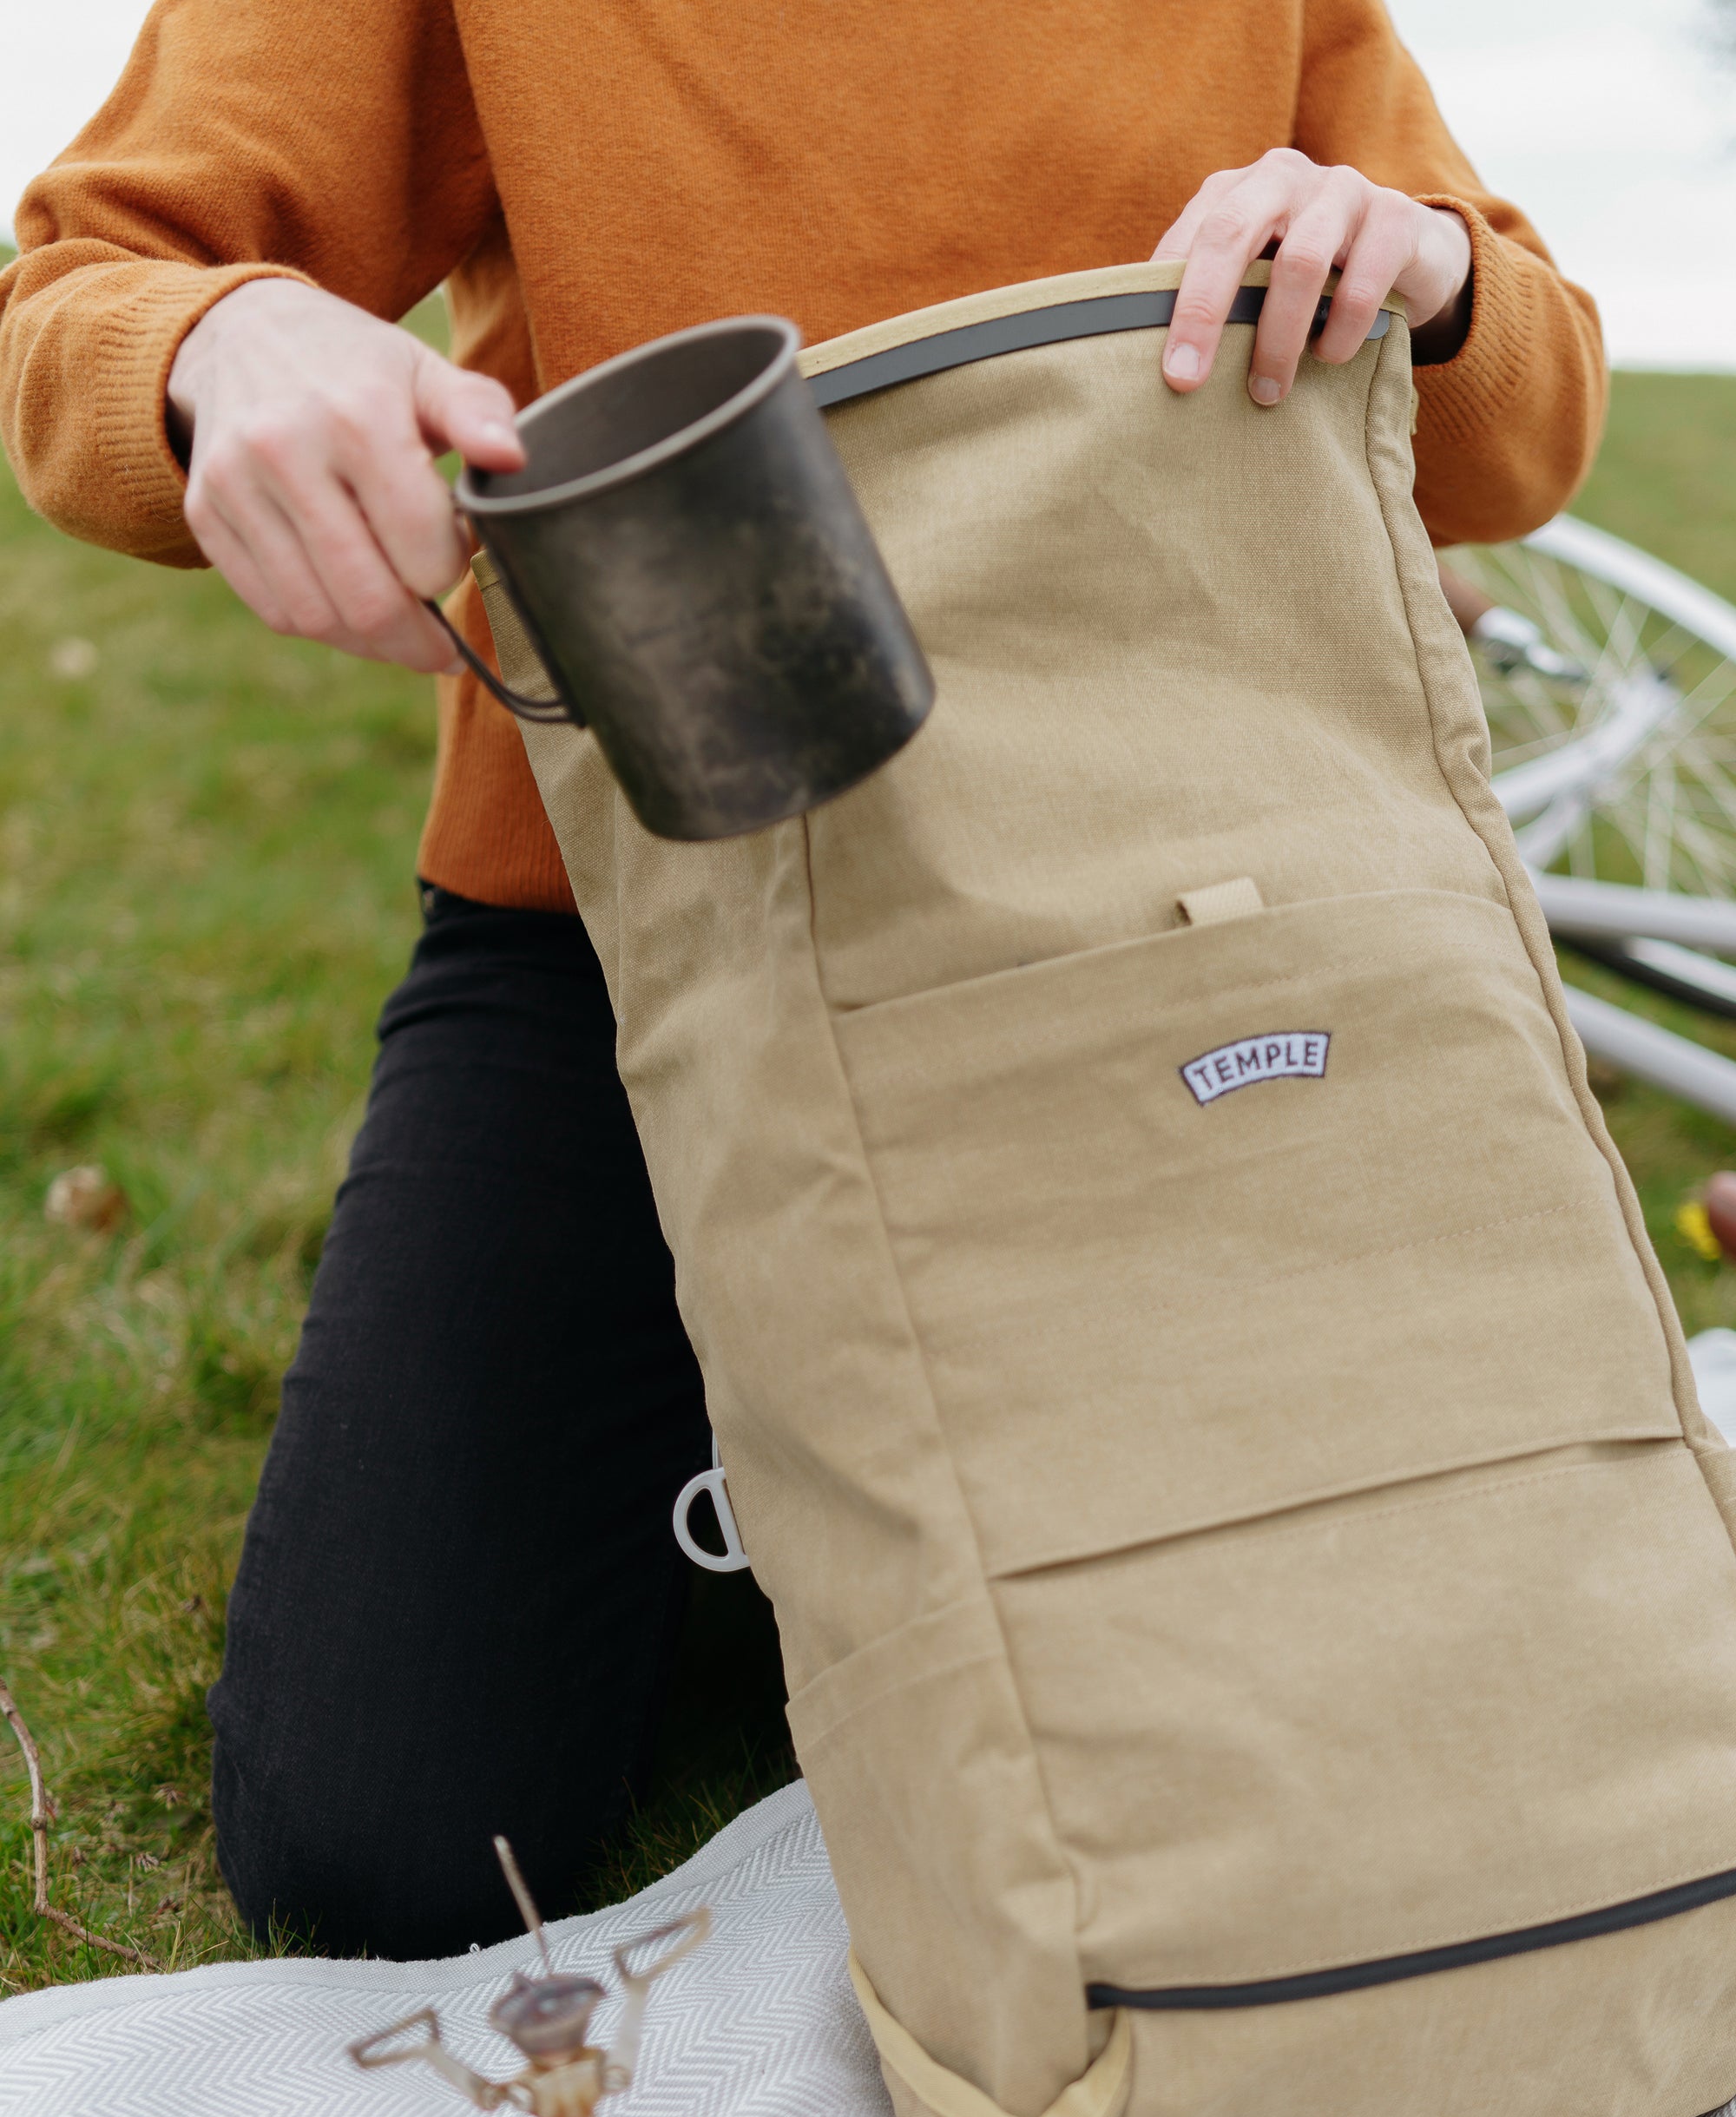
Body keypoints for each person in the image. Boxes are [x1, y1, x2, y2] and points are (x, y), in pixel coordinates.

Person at [0, 0, 1604, 1959]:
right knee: (386, 1844)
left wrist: (1427, 283)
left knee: (1402, 1660)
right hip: (640, 933)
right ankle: (771, 1424)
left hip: (1170, 912)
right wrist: (212, 346)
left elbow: (1525, 423)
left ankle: (859, 1423)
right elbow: (81, 289)